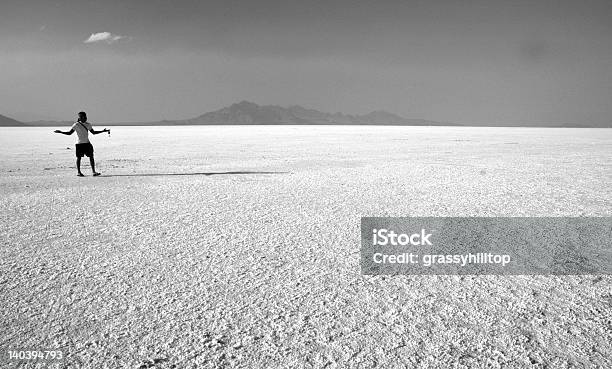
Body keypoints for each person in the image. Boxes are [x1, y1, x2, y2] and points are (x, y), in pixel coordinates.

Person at [54, 111, 109, 177]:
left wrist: (103, 131)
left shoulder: (88, 124)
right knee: (79, 158)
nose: (85, 118)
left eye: (85, 117)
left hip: (87, 143)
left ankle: (94, 172)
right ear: (80, 118)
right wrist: (61, 132)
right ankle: (79, 172)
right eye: (83, 117)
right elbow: (69, 133)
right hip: (80, 144)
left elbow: (93, 132)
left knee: (91, 157)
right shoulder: (76, 125)